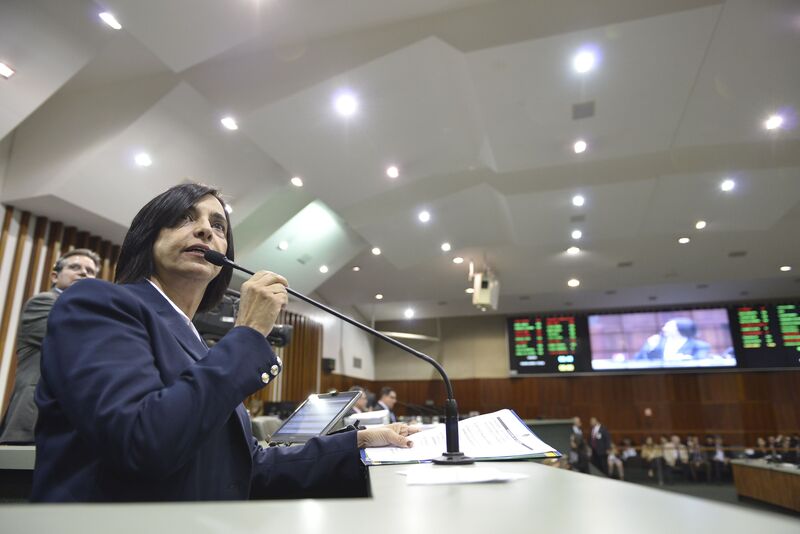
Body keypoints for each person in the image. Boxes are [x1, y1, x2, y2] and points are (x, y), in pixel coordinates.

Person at [31, 183, 416, 502]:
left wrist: (358, 442)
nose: (206, 230)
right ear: (147, 237)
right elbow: (142, 443)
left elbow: (246, 467)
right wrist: (247, 333)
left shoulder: (196, 342)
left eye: (218, 226)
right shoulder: (96, 303)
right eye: (185, 218)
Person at [0, 249, 100, 444]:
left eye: (90, 271)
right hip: (35, 415)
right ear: (55, 276)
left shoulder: (93, 314)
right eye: (75, 267)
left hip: (73, 420)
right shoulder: (44, 302)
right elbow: (72, 343)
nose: (83, 273)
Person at [634, 318, 711, 362]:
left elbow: (701, 361)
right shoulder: (656, 341)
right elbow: (638, 360)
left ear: (680, 329)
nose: (664, 329)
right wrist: (649, 348)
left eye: (668, 327)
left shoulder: (700, 345)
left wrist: (684, 359)